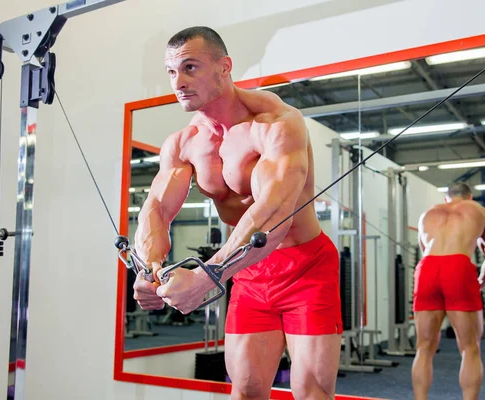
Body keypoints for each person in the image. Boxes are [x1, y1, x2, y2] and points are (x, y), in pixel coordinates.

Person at [132, 26, 343, 400]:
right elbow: (157, 210)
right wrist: (147, 270)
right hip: (249, 271)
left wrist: (207, 275)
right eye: (171, 72)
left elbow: (274, 215)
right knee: (245, 389)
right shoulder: (184, 143)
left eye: (190, 67)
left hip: (307, 268)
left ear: (224, 67)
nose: (177, 82)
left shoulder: (276, 123)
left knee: (311, 391)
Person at [412, 182, 485, 400]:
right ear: (469, 197)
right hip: (459, 267)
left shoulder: (427, 214)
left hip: (427, 269)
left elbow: (424, 249)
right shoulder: (480, 212)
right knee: (470, 348)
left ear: (446, 199)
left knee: (424, 347)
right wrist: (483, 278)